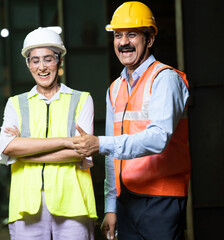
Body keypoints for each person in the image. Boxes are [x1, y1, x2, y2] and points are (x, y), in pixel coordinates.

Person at [73, 2, 191, 240]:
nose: (123, 42)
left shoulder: (164, 80)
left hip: (162, 200)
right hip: (126, 200)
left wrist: (101, 143)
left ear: (149, 40)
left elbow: (158, 138)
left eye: (132, 34)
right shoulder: (115, 88)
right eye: (118, 35)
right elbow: (111, 158)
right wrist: (111, 206)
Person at [0, 27, 97, 240]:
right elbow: (8, 147)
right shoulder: (15, 104)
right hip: (26, 205)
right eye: (35, 60)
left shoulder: (82, 100)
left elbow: (81, 151)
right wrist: (66, 141)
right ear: (28, 64)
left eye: (48, 59)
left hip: (73, 202)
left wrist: (24, 152)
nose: (42, 67)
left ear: (59, 61)